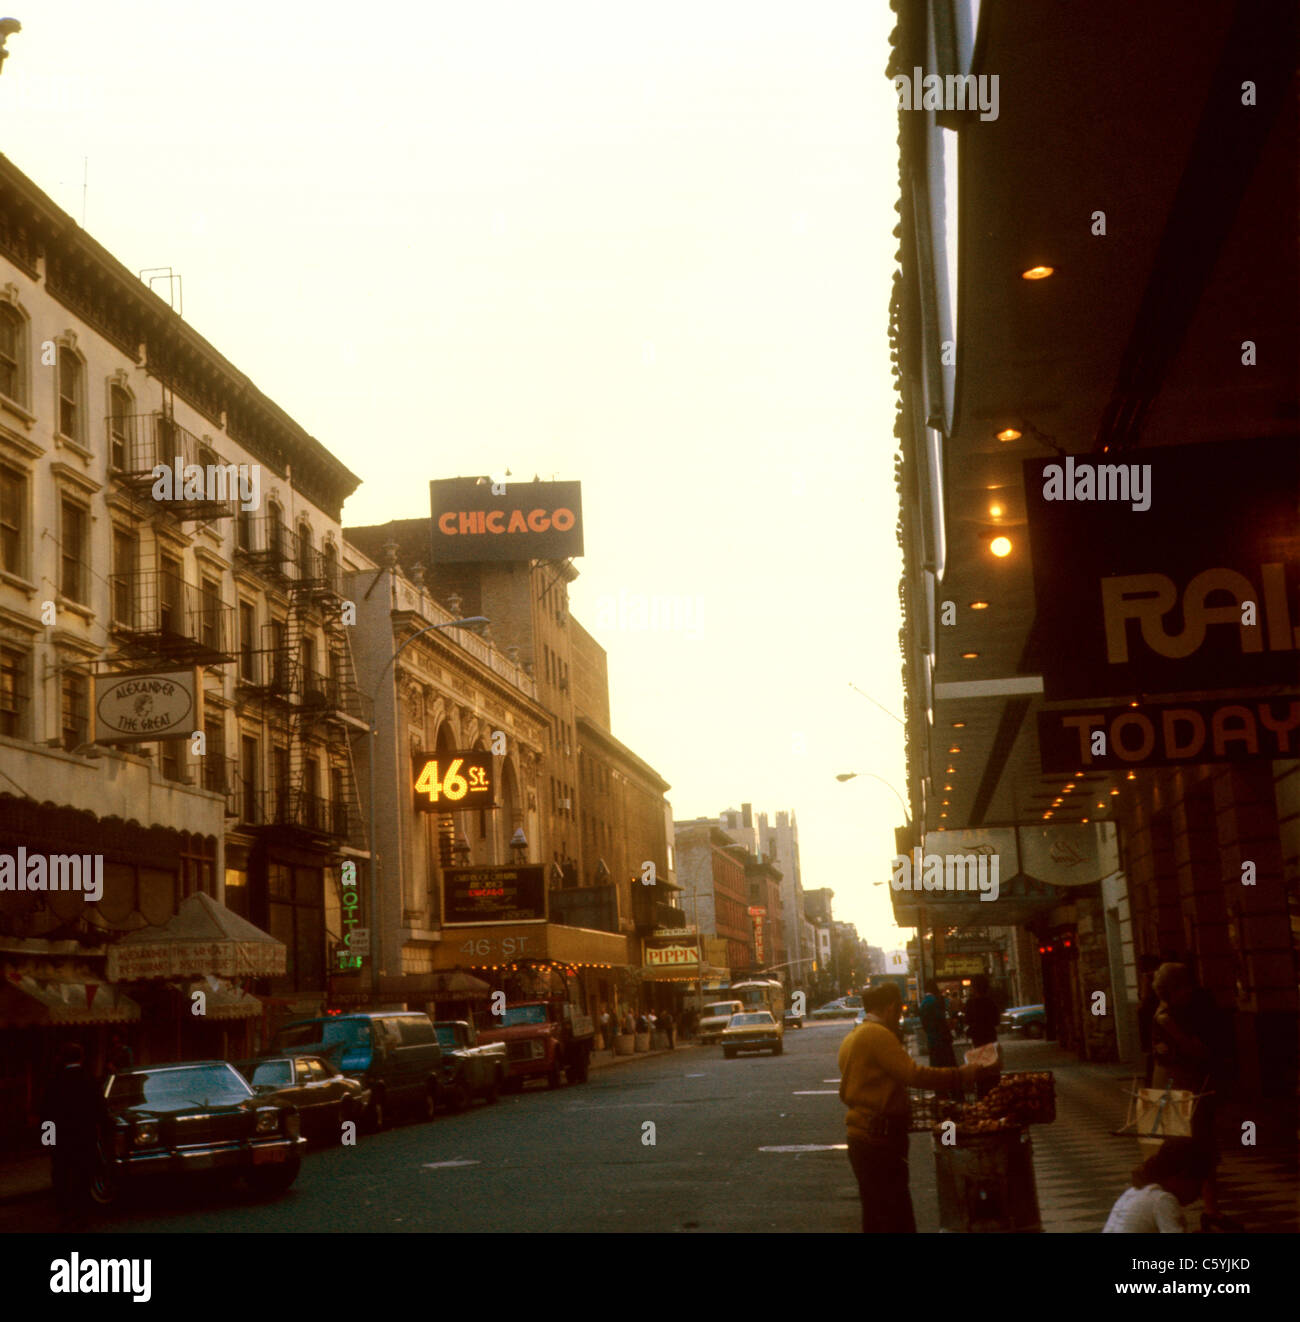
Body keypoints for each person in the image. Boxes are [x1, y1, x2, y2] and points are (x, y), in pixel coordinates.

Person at [838, 981, 983, 1233]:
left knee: (877, 1216)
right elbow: (913, 1074)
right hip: (877, 1140)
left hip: (864, 1136)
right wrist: (961, 1075)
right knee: (895, 1217)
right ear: (892, 1007)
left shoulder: (854, 1036)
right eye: (900, 1011)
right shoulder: (877, 1034)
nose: (900, 1017)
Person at [1150, 961, 1236, 1230]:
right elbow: (1191, 1052)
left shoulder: (1177, 1011)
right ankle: (1188, 1213)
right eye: (1184, 987)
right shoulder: (1167, 1017)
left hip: (1176, 1089)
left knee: (1199, 1150)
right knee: (1184, 1151)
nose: (1189, 991)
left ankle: (1209, 1210)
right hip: (1178, 1090)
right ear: (1173, 990)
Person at [40, 1042, 109, 1229]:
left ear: (63, 1059)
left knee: (62, 1175)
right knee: (83, 1175)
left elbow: (46, 1113)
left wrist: (48, 1139)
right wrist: (103, 1131)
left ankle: (65, 1213)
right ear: (82, 1057)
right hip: (84, 1138)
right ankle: (82, 1215)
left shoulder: (55, 1081)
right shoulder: (89, 1080)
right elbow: (101, 1110)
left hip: (62, 1139)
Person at [1102, 1137, 1212, 1233]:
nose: (1199, 1195)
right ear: (1180, 1177)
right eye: (1197, 1184)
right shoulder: (1163, 1200)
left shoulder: (1134, 1192)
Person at [919, 980, 957, 1067]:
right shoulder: (936, 1001)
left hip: (931, 1039)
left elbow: (924, 1024)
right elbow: (942, 1020)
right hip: (941, 1040)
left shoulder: (923, 1004)